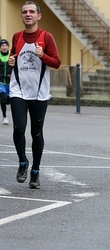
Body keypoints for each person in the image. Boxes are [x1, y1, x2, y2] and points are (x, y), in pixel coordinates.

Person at [8, 1, 61, 189]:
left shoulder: (46, 37)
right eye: (24, 12)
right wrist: (11, 61)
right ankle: (23, 162)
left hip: (39, 93)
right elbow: (14, 57)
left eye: (31, 12)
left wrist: (42, 56)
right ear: (21, 16)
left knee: (36, 133)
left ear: (39, 16)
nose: (27, 14)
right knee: (18, 128)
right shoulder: (16, 37)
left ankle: (35, 171)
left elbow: (56, 63)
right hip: (18, 91)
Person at [0, 39, 12, 125]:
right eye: (2, 46)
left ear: (8, 47)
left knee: (11, 100)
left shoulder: (12, 55)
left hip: (11, 82)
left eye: (6, 45)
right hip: (1, 82)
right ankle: (5, 117)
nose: (4, 47)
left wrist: (12, 74)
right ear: (0, 48)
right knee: (3, 99)